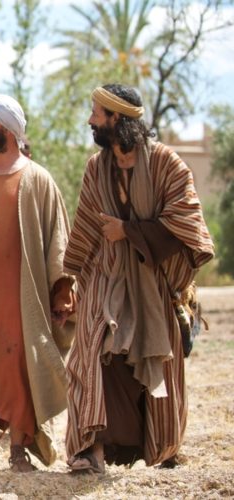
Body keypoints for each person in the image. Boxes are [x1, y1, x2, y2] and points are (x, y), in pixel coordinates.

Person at [63, 84, 213, 473]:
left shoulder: (166, 164)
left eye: (97, 113)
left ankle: (161, 443)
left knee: (153, 357)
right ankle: (92, 450)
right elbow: (85, 227)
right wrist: (69, 282)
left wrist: (129, 231)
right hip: (106, 276)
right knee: (94, 351)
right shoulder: (96, 167)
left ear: (117, 118)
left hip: (152, 280)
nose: (90, 120)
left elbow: (186, 225)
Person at [0, 94, 74, 472]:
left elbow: (58, 240)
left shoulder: (38, 179)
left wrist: (61, 293)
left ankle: (17, 449)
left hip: (22, 296)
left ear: (9, 130)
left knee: (18, 367)